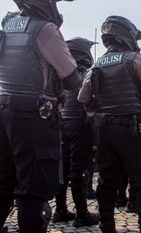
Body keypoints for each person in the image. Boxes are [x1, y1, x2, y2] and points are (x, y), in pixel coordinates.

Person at [0, 0, 81, 233]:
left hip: (2, 108)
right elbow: (70, 77)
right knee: (33, 191)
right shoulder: (44, 29)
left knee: (0, 185)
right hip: (34, 114)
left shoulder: (3, 29)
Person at [78, 16, 141, 233]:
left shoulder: (96, 64)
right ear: (127, 36)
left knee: (108, 181)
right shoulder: (134, 59)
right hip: (133, 128)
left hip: (106, 130)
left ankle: (107, 227)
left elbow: (82, 98)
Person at [53, 37, 99, 227]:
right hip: (81, 124)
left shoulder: (60, 74)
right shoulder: (87, 74)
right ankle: (82, 214)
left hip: (62, 124)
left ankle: (61, 209)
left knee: (62, 169)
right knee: (80, 169)